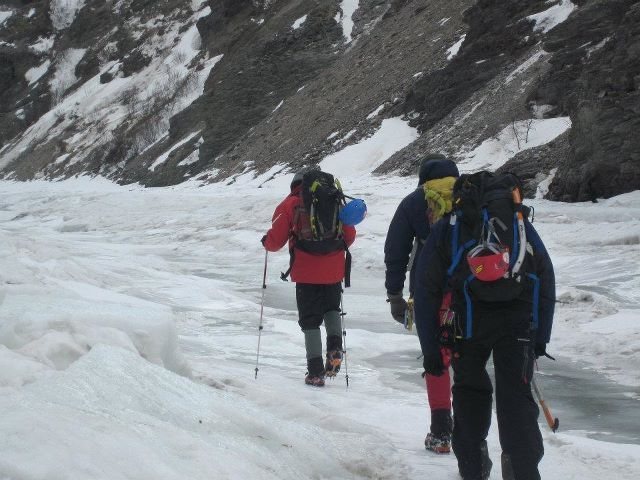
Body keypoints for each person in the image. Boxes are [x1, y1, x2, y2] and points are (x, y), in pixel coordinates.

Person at [414, 171, 556, 480]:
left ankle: (474, 469)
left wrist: (431, 349)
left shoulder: (451, 225)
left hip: (467, 324)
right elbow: (545, 274)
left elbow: (426, 288)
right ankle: (521, 472)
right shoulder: (518, 224)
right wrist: (540, 336)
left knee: (469, 396)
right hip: (518, 322)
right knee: (516, 400)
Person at [383, 153, 459, 453]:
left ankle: (441, 432)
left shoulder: (415, 202)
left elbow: (396, 251)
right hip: (469, 294)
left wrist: (394, 295)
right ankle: (469, 434)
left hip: (430, 295)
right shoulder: (472, 197)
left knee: (436, 356)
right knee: (466, 357)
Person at [262, 166, 356, 387]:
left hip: (305, 272)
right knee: (332, 308)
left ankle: (315, 372)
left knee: (310, 320)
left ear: (295, 185)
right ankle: (335, 347)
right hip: (333, 270)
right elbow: (349, 236)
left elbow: (275, 241)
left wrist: (266, 241)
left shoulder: (290, 203)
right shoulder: (335, 199)